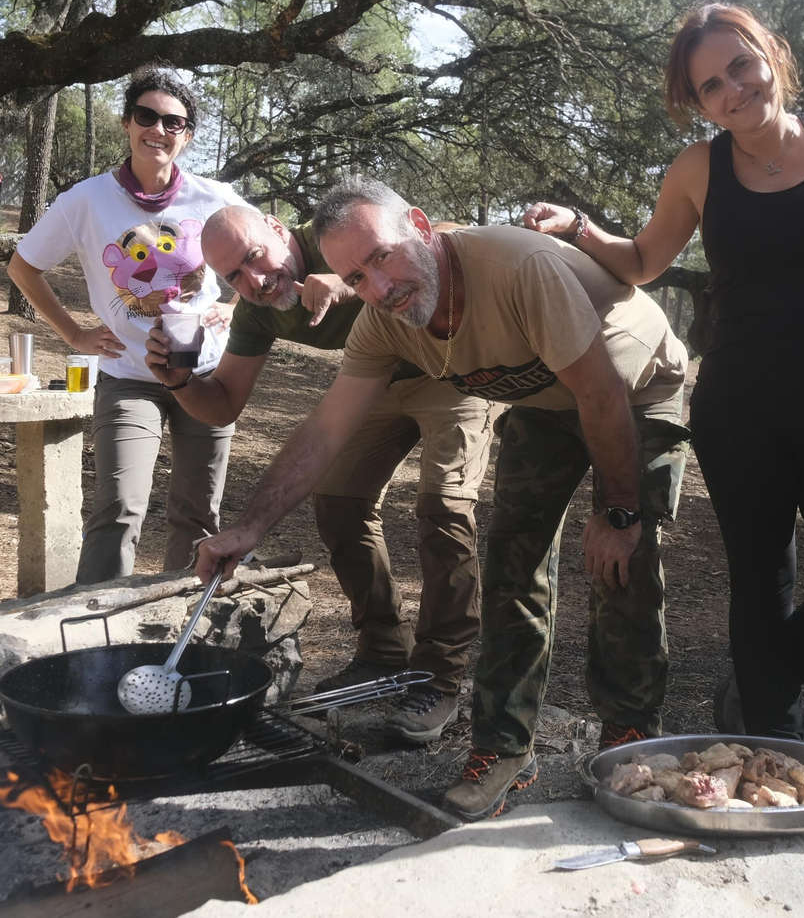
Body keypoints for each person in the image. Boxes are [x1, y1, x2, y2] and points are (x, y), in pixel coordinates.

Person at [191, 176, 690, 821]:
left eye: (383, 256)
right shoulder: (382, 322)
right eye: (358, 277)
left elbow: (602, 395)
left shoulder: (517, 268)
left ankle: (630, 736)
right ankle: (504, 748)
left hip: (633, 388)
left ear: (422, 228)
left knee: (620, 561)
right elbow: (325, 432)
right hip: (545, 398)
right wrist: (249, 528)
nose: (380, 287)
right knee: (512, 565)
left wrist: (618, 514)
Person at [524, 3, 804, 742]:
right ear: (697, 104)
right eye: (710, 86)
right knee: (762, 588)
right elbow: (644, 260)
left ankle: (763, 679)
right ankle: (769, 745)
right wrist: (579, 228)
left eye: (741, 65)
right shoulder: (699, 167)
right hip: (741, 407)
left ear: (772, 55)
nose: (734, 90)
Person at [142, 204, 495, 745]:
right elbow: (224, 405)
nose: (255, 280)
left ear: (278, 228)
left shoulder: (334, 234)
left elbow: (449, 236)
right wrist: (179, 382)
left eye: (255, 256)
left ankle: (437, 678)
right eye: (234, 276)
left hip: (454, 367)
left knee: (443, 506)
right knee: (338, 499)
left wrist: (352, 278)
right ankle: (383, 649)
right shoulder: (258, 309)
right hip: (375, 380)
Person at [9, 69, 251, 582]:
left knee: (197, 515)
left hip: (207, 376)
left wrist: (237, 306)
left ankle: (181, 616)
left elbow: (273, 250)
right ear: (127, 123)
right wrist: (74, 334)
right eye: (146, 116)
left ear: (187, 136)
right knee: (118, 506)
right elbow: (23, 267)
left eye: (173, 122)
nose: (158, 130)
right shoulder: (85, 200)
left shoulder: (216, 197)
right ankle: (96, 619)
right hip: (129, 376)